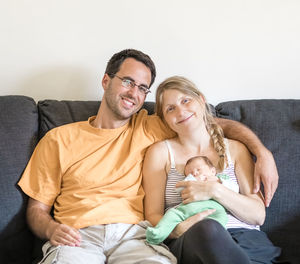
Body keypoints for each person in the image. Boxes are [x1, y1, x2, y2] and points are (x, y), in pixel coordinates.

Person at [18, 49, 278, 264]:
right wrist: (51, 229)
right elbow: (37, 210)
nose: (134, 93)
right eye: (128, 81)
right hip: (78, 236)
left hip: (135, 237)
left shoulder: (151, 125)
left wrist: (261, 151)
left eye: (143, 88)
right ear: (106, 81)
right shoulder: (58, 139)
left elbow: (210, 124)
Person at [143, 76, 281, 263]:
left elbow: (258, 215)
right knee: (208, 228)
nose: (181, 111)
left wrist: (214, 190)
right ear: (164, 119)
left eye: (185, 100)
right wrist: (177, 229)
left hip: (247, 241)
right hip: (193, 238)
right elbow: (152, 214)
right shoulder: (160, 153)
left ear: (201, 99)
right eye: (170, 108)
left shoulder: (235, 149)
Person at [146, 155, 237, 245]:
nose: (194, 173)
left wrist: (218, 182)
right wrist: (192, 180)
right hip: (187, 210)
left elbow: (234, 190)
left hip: (213, 209)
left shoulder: (222, 179)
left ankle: (220, 238)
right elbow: (178, 189)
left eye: (198, 169)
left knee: (220, 218)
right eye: (190, 173)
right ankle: (158, 233)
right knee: (171, 214)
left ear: (212, 171)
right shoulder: (190, 181)